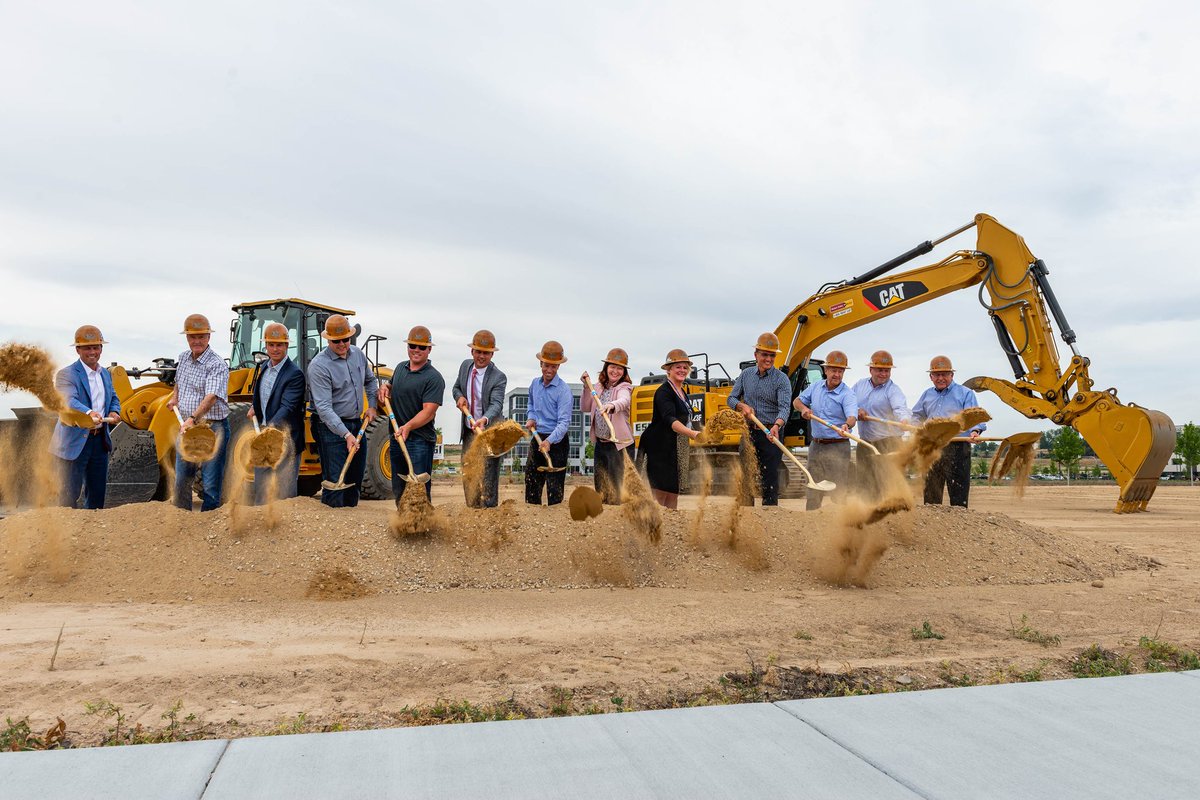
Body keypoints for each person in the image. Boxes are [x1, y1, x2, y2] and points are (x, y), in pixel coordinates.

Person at [307, 314, 378, 508]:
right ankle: (333, 522)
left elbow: (371, 381)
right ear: (328, 340)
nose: (342, 344)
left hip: (357, 423)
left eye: (345, 339)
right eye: (336, 341)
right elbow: (323, 408)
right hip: (330, 428)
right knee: (336, 479)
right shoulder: (319, 366)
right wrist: (346, 435)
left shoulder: (357, 354)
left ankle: (349, 521)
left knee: (355, 476)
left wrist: (372, 405)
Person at [48, 325, 122, 509]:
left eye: (96, 347)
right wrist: (89, 413)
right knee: (68, 496)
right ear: (78, 350)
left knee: (97, 495)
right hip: (73, 440)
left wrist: (114, 411)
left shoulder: (105, 373)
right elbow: (68, 400)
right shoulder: (67, 374)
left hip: (99, 441)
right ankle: (65, 535)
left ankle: (92, 533)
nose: (92, 352)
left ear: (101, 349)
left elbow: (113, 397)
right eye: (87, 348)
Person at [168, 313, 231, 512]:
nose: (197, 341)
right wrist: (174, 397)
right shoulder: (183, 358)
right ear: (187, 338)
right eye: (193, 337)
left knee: (211, 482)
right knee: (182, 479)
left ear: (208, 337)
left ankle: (208, 523)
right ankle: (182, 519)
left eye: (201, 336)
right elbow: (180, 381)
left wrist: (192, 419)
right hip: (187, 428)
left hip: (212, 428)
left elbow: (211, 397)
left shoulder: (217, 364)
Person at [912, 355, 985, 508]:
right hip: (933, 447)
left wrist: (975, 432)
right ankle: (932, 526)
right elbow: (917, 416)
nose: (941, 378)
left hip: (958, 447)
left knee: (959, 495)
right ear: (930, 376)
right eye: (937, 374)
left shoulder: (965, 393)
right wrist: (915, 428)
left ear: (952, 375)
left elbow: (975, 416)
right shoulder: (927, 395)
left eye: (944, 374)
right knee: (931, 495)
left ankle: (959, 526)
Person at [728, 332, 792, 506]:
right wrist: (742, 406)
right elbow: (731, 398)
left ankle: (769, 514)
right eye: (765, 354)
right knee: (745, 475)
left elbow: (785, 407)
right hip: (749, 432)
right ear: (756, 354)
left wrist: (777, 425)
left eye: (772, 355)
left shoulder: (781, 379)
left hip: (772, 433)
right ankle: (746, 513)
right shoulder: (746, 375)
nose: (768, 359)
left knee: (769, 477)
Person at [383, 325, 444, 502]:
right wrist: (386, 387)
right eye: (412, 346)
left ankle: (424, 526)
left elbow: (429, 411)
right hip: (396, 436)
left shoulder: (434, 378)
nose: (416, 350)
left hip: (419, 441)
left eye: (422, 347)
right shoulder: (400, 369)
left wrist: (408, 426)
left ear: (429, 349)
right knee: (399, 487)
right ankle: (402, 524)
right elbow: (393, 388)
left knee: (419, 489)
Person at [793, 349, 858, 510]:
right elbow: (797, 401)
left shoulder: (847, 394)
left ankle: (838, 524)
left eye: (840, 371)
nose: (837, 374)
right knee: (813, 485)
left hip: (838, 446)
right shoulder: (815, 387)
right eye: (834, 370)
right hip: (817, 446)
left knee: (838, 487)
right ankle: (812, 518)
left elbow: (852, 417)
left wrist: (846, 425)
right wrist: (803, 409)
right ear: (825, 370)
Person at [248, 322, 306, 504]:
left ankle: (283, 531)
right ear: (265, 346)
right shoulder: (265, 367)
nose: (275, 349)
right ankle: (261, 528)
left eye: (279, 345)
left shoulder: (294, 374)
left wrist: (269, 429)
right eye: (271, 345)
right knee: (262, 490)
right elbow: (261, 394)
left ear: (287, 346)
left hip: (285, 440)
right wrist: (254, 407)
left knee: (283, 494)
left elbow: (287, 408)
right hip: (264, 437)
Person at [452, 329, 507, 508]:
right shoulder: (465, 367)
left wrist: (484, 419)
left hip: (489, 432)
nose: (481, 356)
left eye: (486, 353)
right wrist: (459, 397)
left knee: (488, 474)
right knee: (469, 471)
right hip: (469, 431)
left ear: (492, 354)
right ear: (472, 351)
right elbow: (456, 388)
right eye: (478, 352)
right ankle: (472, 509)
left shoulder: (499, 377)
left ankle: (489, 512)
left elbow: (496, 404)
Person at [640, 349, 701, 509]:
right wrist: (693, 434)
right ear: (669, 370)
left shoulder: (682, 392)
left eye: (684, 367)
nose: (682, 370)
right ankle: (654, 529)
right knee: (660, 492)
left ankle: (671, 528)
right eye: (677, 367)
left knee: (673, 492)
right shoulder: (664, 392)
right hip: (659, 446)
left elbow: (686, 419)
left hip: (675, 445)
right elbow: (670, 420)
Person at [852, 350, 912, 499]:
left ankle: (892, 517)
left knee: (888, 484)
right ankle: (867, 517)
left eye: (887, 370)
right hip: (865, 444)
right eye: (880, 370)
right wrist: (856, 410)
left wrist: (904, 420)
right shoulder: (859, 385)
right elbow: (848, 403)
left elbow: (900, 408)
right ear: (870, 369)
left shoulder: (893, 390)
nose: (883, 374)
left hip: (889, 443)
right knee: (864, 484)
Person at [580, 347, 634, 504]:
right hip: (601, 444)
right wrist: (585, 387)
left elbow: (624, 401)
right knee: (601, 488)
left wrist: (611, 405)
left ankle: (620, 520)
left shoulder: (624, 387)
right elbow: (584, 406)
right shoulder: (597, 387)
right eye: (612, 367)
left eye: (619, 368)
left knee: (618, 491)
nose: (615, 371)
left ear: (624, 372)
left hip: (619, 446)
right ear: (606, 368)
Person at [524, 340, 572, 506]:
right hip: (537, 437)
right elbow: (530, 404)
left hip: (557, 442)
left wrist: (549, 441)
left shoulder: (563, 391)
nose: (549, 370)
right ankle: (532, 517)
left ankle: (555, 525)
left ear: (558, 366)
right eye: (546, 365)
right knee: (531, 482)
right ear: (540, 363)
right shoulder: (534, 384)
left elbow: (564, 423)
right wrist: (531, 417)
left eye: (554, 366)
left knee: (555, 489)